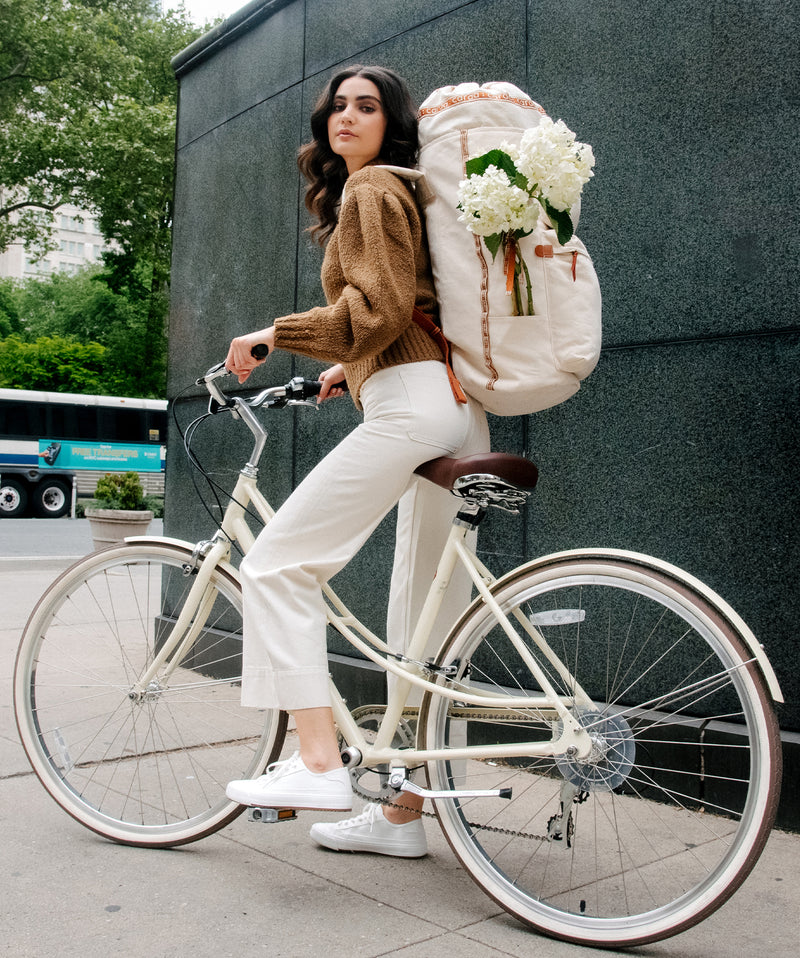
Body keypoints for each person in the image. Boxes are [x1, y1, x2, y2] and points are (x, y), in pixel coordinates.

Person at [224, 65, 489, 858]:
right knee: (422, 622)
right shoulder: (406, 189)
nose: (346, 116)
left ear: (391, 123)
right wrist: (353, 366)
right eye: (337, 105)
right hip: (452, 407)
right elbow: (404, 309)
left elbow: (370, 308)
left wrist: (277, 334)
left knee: (274, 567)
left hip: (413, 408)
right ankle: (402, 818)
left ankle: (313, 762)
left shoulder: (371, 189)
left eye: (366, 107)